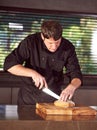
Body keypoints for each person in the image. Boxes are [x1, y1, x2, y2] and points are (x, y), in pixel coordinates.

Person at [4, 20, 82, 105]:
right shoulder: (30, 42)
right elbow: (9, 65)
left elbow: (76, 73)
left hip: (53, 99)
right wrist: (32, 73)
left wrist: (72, 87)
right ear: (42, 36)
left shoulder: (68, 47)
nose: (54, 47)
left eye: (57, 42)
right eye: (50, 43)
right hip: (28, 99)